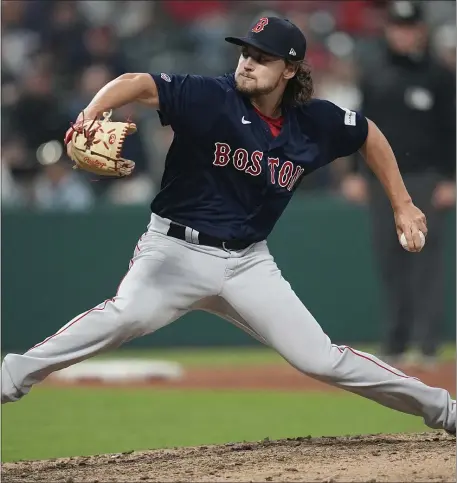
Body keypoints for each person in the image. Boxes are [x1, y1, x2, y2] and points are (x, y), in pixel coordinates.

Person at [2, 16, 455, 435]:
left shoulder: (314, 122)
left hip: (247, 263)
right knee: (127, 315)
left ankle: (444, 411)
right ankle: (10, 378)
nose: (248, 63)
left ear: (290, 70)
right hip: (175, 251)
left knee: (322, 359)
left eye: (262, 57)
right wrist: (90, 114)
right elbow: (135, 82)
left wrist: (403, 202)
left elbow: (368, 134)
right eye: (245, 53)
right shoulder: (210, 97)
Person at [341, 1, 456, 369]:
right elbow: (359, 128)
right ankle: (394, 341)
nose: (404, 34)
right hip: (380, 181)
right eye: (398, 27)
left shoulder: (440, 75)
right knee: (389, 261)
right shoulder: (375, 74)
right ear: (389, 30)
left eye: (410, 27)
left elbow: (452, 130)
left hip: (425, 178)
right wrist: (358, 174)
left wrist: (451, 179)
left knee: (426, 262)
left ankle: (426, 345)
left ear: (420, 30)